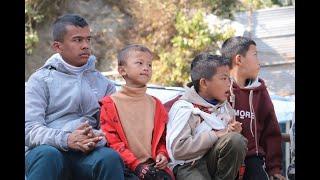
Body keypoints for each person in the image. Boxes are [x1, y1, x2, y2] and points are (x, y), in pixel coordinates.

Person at [25, 14, 124, 180]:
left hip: (87, 151)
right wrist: (66, 139)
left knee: (109, 158)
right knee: (48, 156)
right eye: (77, 40)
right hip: (48, 150)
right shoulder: (40, 80)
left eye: (88, 39)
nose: (85, 46)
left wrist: (94, 138)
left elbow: (113, 129)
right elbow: (29, 130)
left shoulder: (104, 84)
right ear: (58, 46)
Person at [166, 53, 247, 180]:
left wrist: (233, 133)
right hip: (189, 165)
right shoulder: (185, 109)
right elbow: (178, 150)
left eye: (229, 79)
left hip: (213, 162)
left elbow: (229, 144)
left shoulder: (226, 108)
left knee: (236, 140)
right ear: (204, 83)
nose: (229, 84)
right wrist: (216, 135)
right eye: (224, 78)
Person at [99, 44, 174, 180]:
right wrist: (136, 165)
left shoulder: (156, 104)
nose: (146, 68)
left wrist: (162, 153)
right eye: (139, 63)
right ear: (122, 70)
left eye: (150, 65)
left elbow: (163, 138)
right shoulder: (110, 104)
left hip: (152, 168)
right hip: (124, 168)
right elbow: (112, 141)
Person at [221, 36, 285, 180]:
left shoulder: (260, 91)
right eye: (255, 55)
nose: (259, 61)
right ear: (239, 59)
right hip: (223, 158)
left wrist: (274, 168)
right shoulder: (218, 87)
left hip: (253, 159)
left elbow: (271, 131)